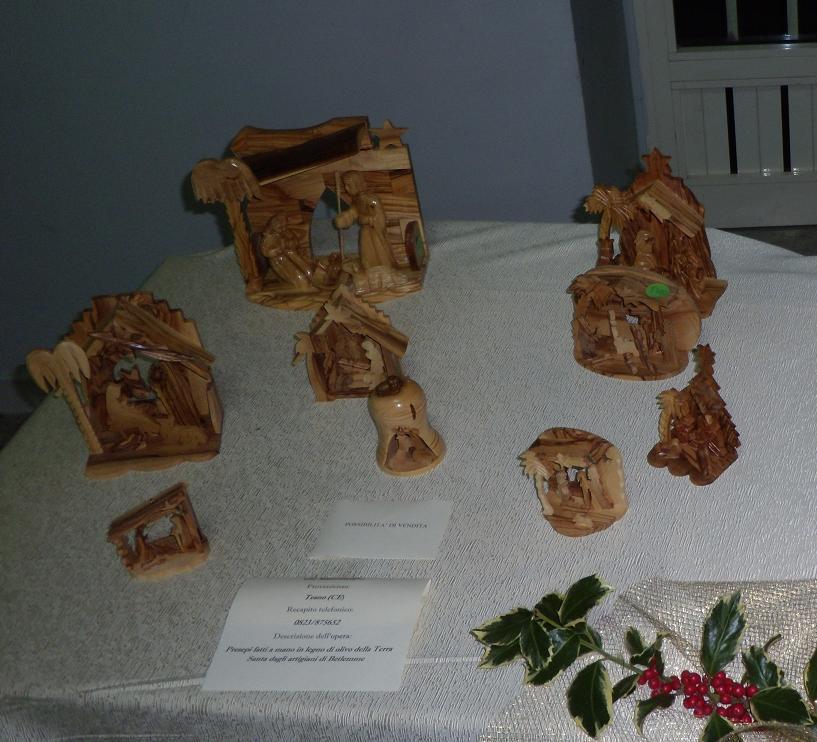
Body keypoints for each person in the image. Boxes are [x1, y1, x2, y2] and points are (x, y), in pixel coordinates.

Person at [334, 171, 394, 270]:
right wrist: (344, 218)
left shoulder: (371, 200)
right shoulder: (356, 200)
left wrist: (367, 220)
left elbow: (380, 218)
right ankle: (369, 268)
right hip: (365, 233)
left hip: (375, 233)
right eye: (345, 185)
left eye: (349, 185)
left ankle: (384, 268)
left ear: (358, 184)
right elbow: (353, 212)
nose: (346, 188)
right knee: (366, 253)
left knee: (379, 252)